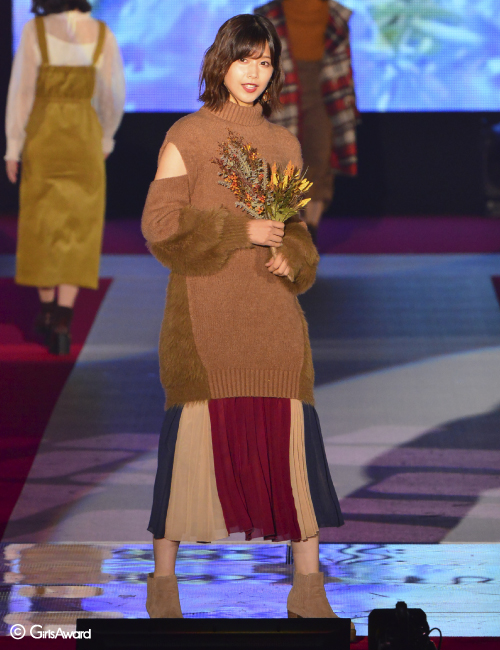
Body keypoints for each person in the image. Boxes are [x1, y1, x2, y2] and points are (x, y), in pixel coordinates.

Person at [141, 14, 353, 635]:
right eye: (244, 59)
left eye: (264, 62)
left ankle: (308, 590)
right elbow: (160, 226)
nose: (254, 73)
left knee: (294, 455)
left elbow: (298, 235)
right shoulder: (189, 135)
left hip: (274, 321)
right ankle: (163, 585)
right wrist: (241, 230)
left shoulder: (284, 144)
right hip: (205, 319)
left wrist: (294, 258)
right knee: (188, 457)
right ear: (220, 63)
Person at [5, 0, 125, 354]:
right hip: (84, 138)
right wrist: (106, 137)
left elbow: (22, 93)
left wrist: (13, 146)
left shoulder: (35, 30)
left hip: (44, 137)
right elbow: (113, 93)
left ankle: (46, 311)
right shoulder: (102, 33)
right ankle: (62, 318)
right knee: (79, 226)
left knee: (41, 224)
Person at [254, 0, 358, 242]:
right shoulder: (268, 16)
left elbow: (342, 64)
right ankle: (291, 227)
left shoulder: (335, 15)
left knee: (320, 160)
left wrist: (346, 102)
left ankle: (310, 230)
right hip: (283, 94)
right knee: (283, 163)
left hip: (324, 94)